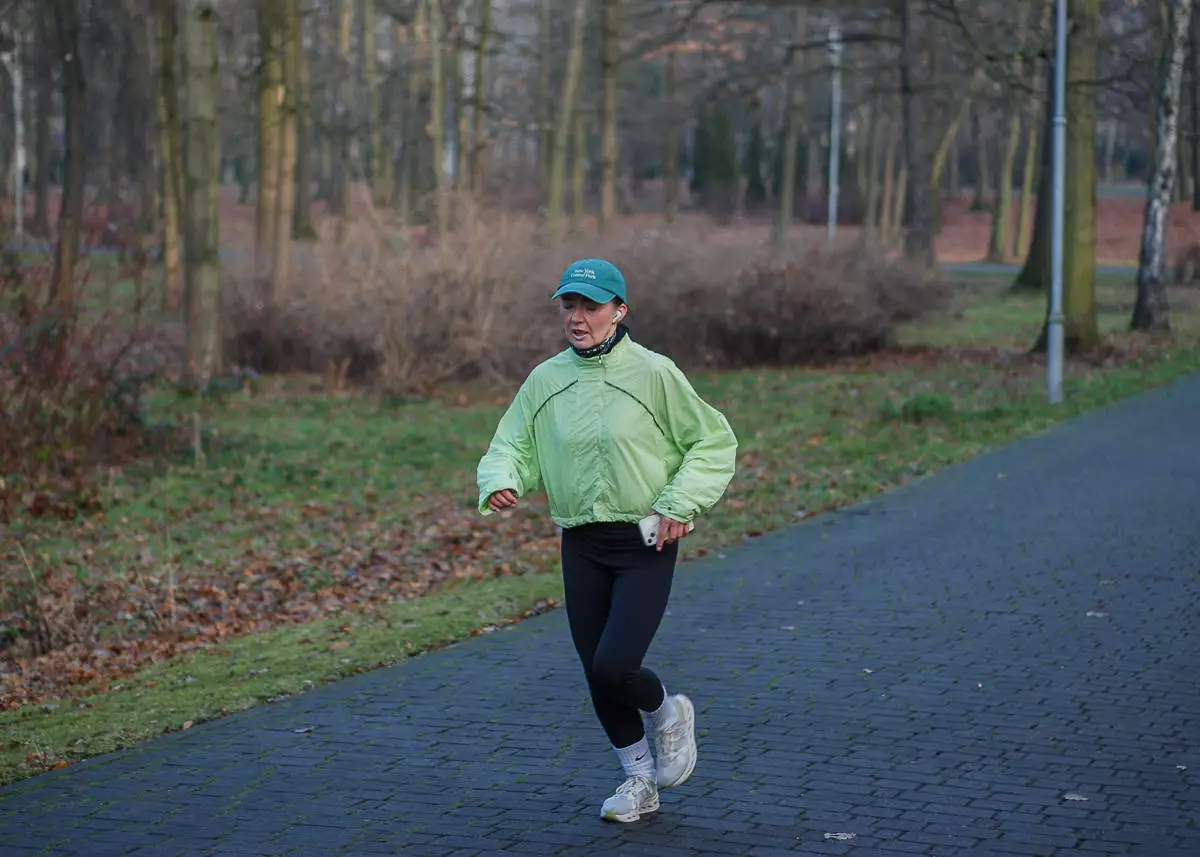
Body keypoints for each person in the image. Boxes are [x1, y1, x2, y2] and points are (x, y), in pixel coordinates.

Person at [476, 258, 738, 823]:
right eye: (569, 305)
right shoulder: (545, 380)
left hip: (646, 539)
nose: (577, 317)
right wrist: (502, 479)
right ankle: (639, 781)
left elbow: (712, 442)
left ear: (619, 312)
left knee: (616, 664)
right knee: (595, 668)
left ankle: (669, 714)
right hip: (581, 543)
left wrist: (678, 503)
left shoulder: (654, 373)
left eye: (590, 307)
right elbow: (512, 443)